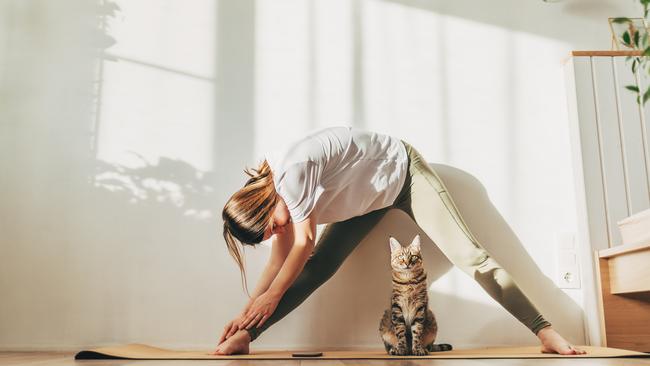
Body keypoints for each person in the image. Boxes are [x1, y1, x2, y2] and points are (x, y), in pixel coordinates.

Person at [213, 126, 585, 355]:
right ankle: (247, 338)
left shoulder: (291, 174)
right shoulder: (277, 196)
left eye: (273, 226)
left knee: (469, 256)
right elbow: (280, 259)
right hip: (365, 203)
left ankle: (545, 331)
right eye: (271, 234)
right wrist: (247, 318)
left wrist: (267, 298)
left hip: (403, 173)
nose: (278, 232)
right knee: (317, 270)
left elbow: (301, 244)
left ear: (264, 203)